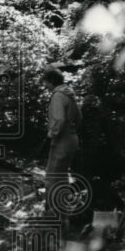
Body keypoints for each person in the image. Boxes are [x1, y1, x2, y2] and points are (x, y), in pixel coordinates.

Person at [41, 64, 82, 221]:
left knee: (52, 177)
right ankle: (63, 215)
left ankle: (52, 215)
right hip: (72, 139)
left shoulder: (58, 95)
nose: (44, 86)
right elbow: (79, 118)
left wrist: (51, 134)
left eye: (45, 82)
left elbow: (58, 119)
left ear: (51, 81)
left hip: (62, 140)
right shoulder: (69, 94)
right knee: (62, 177)